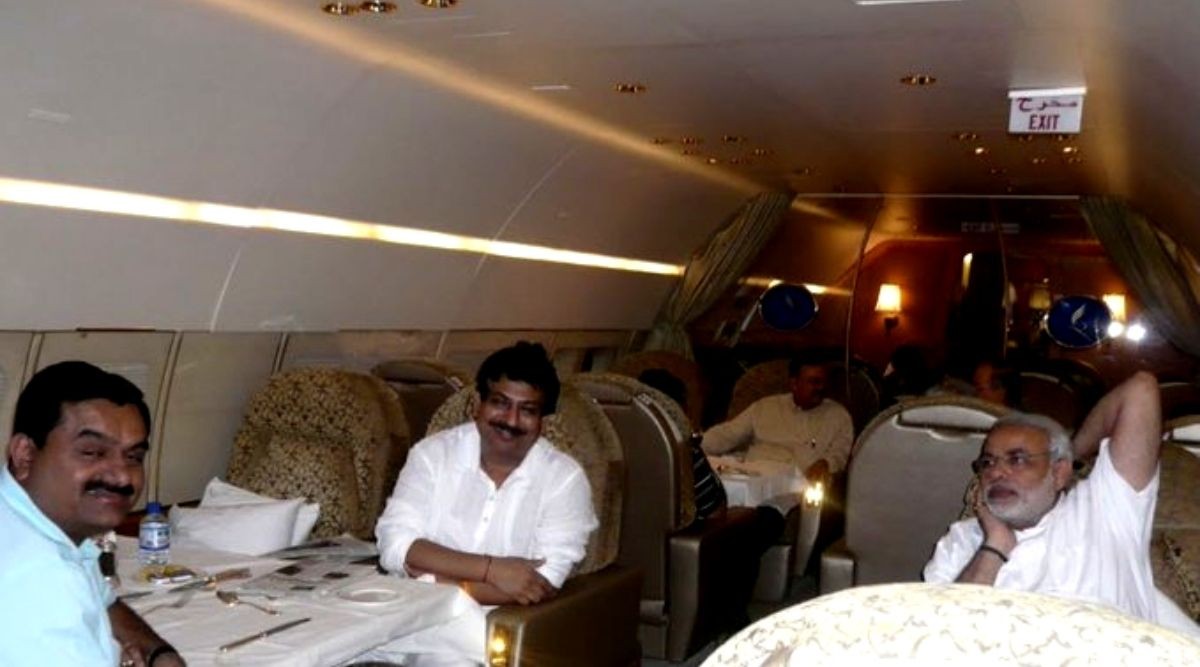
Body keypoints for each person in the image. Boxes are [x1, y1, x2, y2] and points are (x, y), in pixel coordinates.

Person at [372, 342, 598, 666]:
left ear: (543, 421)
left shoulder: (564, 479)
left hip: (485, 629)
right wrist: (494, 570)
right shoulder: (432, 455)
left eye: (527, 410)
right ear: (477, 405)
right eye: (500, 403)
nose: (511, 420)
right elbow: (396, 546)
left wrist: (435, 580)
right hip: (404, 617)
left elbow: (542, 582)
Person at [924, 372, 1196, 634]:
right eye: (988, 462)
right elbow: (941, 631)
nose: (997, 472)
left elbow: (1141, 389)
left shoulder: (1103, 511)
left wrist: (1072, 452)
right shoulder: (962, 541)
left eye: (1017, 460)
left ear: (1058, 472)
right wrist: (995, 546)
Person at [0, 361, 185, 666]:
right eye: (92, 452)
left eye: (133, 457)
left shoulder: (37, 524)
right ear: (25, 454)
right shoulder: (35, 580)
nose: (122, 477)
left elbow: (104, 600)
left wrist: (156, 652)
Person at [701, 354, 853, 485]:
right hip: (753, 477)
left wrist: (825, 464)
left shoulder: (839, 416)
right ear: (794, 384)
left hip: (796, 485)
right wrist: (694, 446)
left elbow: (839, 454)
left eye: (823, 382)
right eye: (814, 382)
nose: (821, 388)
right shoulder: (766, 407)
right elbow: (727, 434)